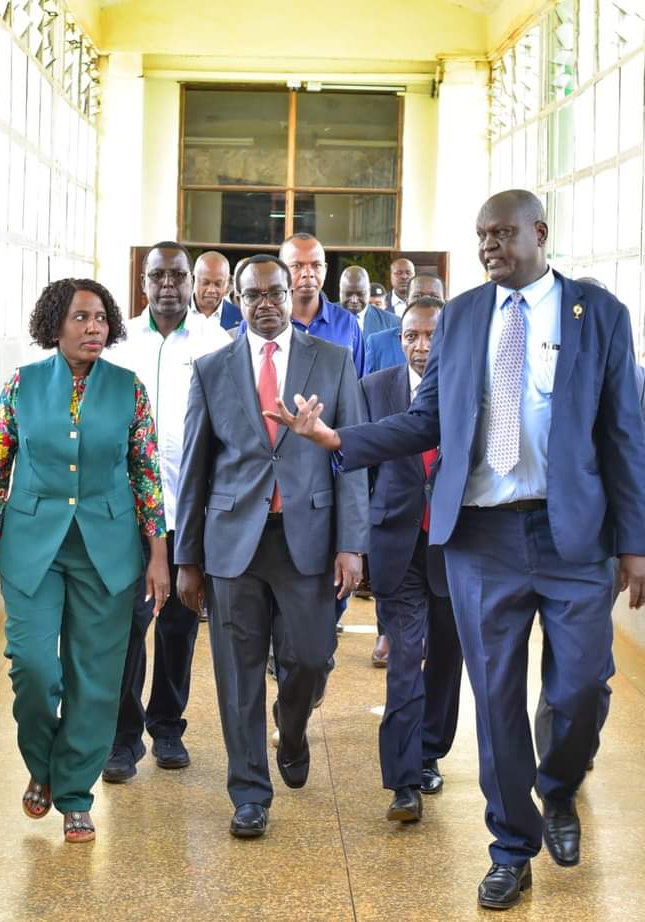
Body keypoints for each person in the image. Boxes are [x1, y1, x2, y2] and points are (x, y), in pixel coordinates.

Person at [267, 190, 645, 909]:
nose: (489, 247)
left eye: (504, 234)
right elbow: (425, 418)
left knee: (580, 690)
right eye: (481, 236)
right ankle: (512, 847)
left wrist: (641, 540)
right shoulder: (467, 316)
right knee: (499, 700)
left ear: (540, 234)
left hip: (573, 537)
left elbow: (622, 434)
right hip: (480, 536)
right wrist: (338, 441)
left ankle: (560, 786)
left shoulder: (597, 315)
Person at [174, 255, 369, 839]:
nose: (266, 302)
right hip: (233, 545)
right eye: (253, 293)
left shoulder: (332, 361)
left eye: (275, 292)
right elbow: (194, 470)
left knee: (310, 658)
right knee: (237, 674)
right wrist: (187, 557)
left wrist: (352, 543)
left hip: (306, 540)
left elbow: (350, 458)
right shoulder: (210, 368)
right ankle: (250, 793)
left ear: (292, 294)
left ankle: (293, 724)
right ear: (238, 297)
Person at [0, 278, 169, 843]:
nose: (93, 328)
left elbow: (146, 474)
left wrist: (158, 554)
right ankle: (42, 767)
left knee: (96, 679)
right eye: (81, 318)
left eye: (102, 318)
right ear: (55, 324)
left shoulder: (128, 390)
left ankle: (75, 795)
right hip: (33, 547)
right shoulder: (22, 385)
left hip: (108, 550)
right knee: (34, 668)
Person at [101, 242, 231, 783]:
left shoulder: (215, 342)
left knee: (179, 622)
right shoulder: (118, 342)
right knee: (127, 625)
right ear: (144, 282)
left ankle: (168, 727)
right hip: (128, 514)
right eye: (159, 276)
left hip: (190, 510)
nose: (170, 285)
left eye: (179, 275)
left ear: (191, 278)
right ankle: (123, 738)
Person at [534, 279, 645, 767]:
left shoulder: (633, 379)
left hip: (604, 543)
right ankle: (557, 756)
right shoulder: (537, 367)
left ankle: (567, 749)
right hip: (532, 533)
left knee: (582, 661)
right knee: (562, 648)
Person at [360, 302, 462, 824]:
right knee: (405, 657)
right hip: (397, 541)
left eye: (430, 334)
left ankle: (429, 752)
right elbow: (360, 469)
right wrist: (357, 540)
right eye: (409, 335)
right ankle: (402, 781)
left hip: (455, 543)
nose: (420, 345)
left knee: (446, 656)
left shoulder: (469, 384)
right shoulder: (375, 388)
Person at [279, 233, 365, 376]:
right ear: (282, 270)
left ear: (325, 269)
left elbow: (360, 384)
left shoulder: (347, 323)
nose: (308, 273)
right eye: (297, 266)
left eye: (316, 265)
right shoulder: (264, 322)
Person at [366, 274, 446, 374]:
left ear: (445, 303)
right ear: (407, 302)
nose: (426, 302)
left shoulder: (460, 343)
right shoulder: (378, 343)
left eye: (434, 297)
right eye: (418, 296)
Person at [340, 265, 400, 342]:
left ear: (368, 291)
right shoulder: (326, 317)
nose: (354, 300)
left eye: (360, 294)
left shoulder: (392, 323)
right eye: (348, 294)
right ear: (340, 291)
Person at [192, 250, 242, 332]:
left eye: (218, 284)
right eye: (205, 283)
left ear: (227, 284)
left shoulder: (240, 318)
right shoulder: (176, 313)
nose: (211, 290)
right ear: (193, 280)